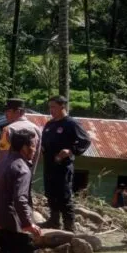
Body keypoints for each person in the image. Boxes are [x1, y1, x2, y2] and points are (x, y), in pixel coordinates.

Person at [40, 95, 91, 232]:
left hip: (63, 166)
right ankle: (54, 221)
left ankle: (69, 225)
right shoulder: (49, 124)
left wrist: (70, 150)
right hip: (49, 164)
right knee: (50, 192)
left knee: (64, 194)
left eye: (54, 107)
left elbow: (85, 141)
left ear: (62, 106)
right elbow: (43, 141)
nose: (51, 110)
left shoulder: (71, 123)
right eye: (49, 107)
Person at [0, 99, 42, 177]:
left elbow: (1, 154)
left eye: (8, 111)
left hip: (8, 175)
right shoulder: (36, 128)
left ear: (18, 112)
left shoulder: (9, 129)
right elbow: (37, 154)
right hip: (27, 174)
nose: (5, 114)